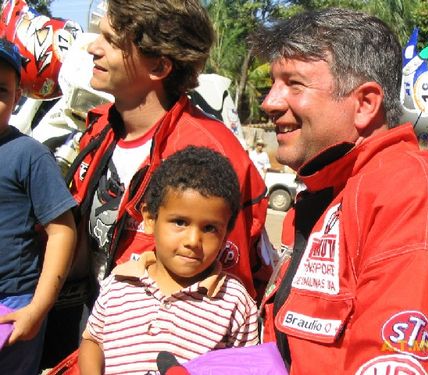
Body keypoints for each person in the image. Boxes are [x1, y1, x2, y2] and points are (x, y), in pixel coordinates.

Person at [252, 7, 428, 374]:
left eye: (294, 84)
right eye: (273, 83)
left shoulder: (411, 197)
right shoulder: (330, 195)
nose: (268, 103)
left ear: (365, 104)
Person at [55, 0, 269, 365]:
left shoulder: (212, 158)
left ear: (158, 65)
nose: (93, 47)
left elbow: (224, 309)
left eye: (110, 39)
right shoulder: (101, 129)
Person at [78, 146, 259, 374]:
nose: (193, 240)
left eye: (210, 228)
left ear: (226, 233)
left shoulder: (235, 303)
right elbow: (93, 341)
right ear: (150, 219)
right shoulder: (119, 284)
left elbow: (246, 368)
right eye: (180, 222)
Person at [0, 38, 77, 374]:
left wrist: (39, 307)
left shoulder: (29, 155)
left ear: (17, 97)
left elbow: (62, 231)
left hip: (13, 305)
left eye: (1, 91)